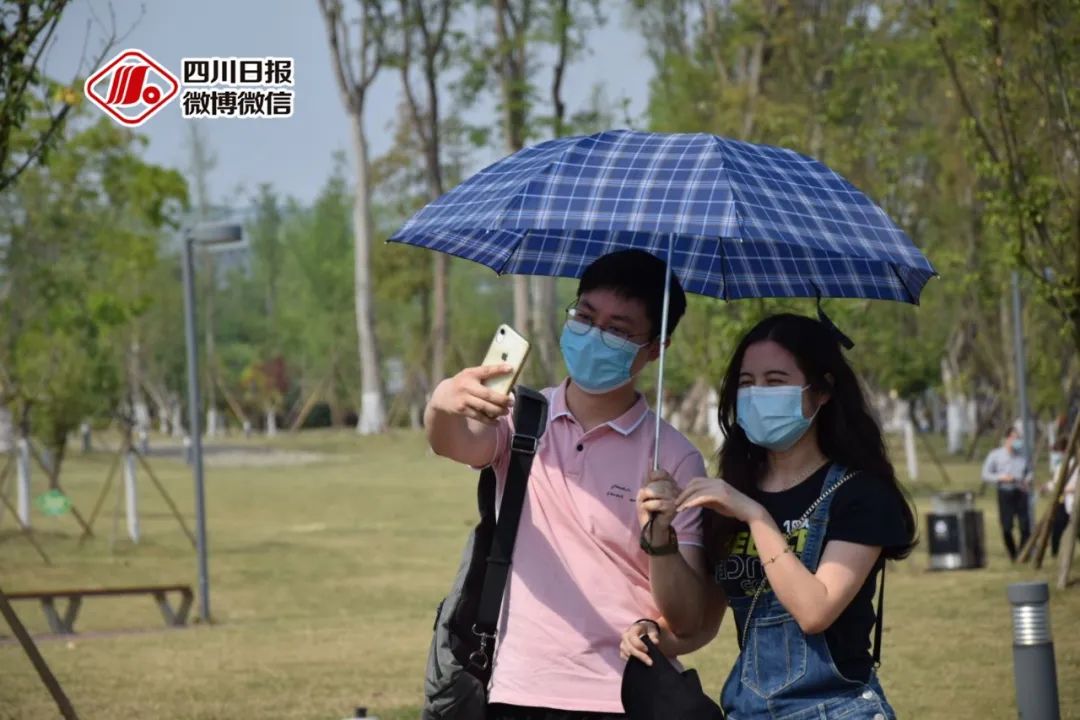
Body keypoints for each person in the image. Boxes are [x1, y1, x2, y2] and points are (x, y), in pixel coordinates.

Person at [425, 250, 708, 720]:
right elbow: (453, 444)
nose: (595, 335)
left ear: (656, 348)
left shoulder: (676, 458)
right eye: (585, 317)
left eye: (618, 330)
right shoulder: (520, 419)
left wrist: (660, 540)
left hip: (625, 696)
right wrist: (441, 403)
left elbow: (687, 618)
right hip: (517, 690)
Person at [620, 313, 916, 719]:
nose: (757, 394)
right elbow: (699, 624)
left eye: (775, 382)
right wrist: (654, 628)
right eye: (746, 383)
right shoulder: (735, 493)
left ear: (822, 391)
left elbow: (815, 611)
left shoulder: (859, 494)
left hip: (837, 709)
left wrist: (756, 517)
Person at [981, 427, 1033, 561]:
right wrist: (1001, 477)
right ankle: (1013, 553)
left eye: (1018, 438)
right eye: (1014, 438)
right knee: (1006, 527)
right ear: (1007, 439)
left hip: (1021, 491)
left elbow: (1029, 472)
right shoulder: (995, 455)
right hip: (1005, 492)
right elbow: (985, 474)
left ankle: (1022, 554)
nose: (1017, 441)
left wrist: (1027, 480)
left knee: (1025, 526)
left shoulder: (1023, 456)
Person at [1047, 439, 1077, 557]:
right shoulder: (1060, 466)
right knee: (1057, 527)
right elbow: (1056, 483)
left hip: (1074, 500)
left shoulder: (1076, 465)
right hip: (1063, 501)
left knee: (1076, 528)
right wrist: (1049, 486)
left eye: (1058, 452)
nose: (1056, 455)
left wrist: (1065, 489)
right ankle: (1054, 553)